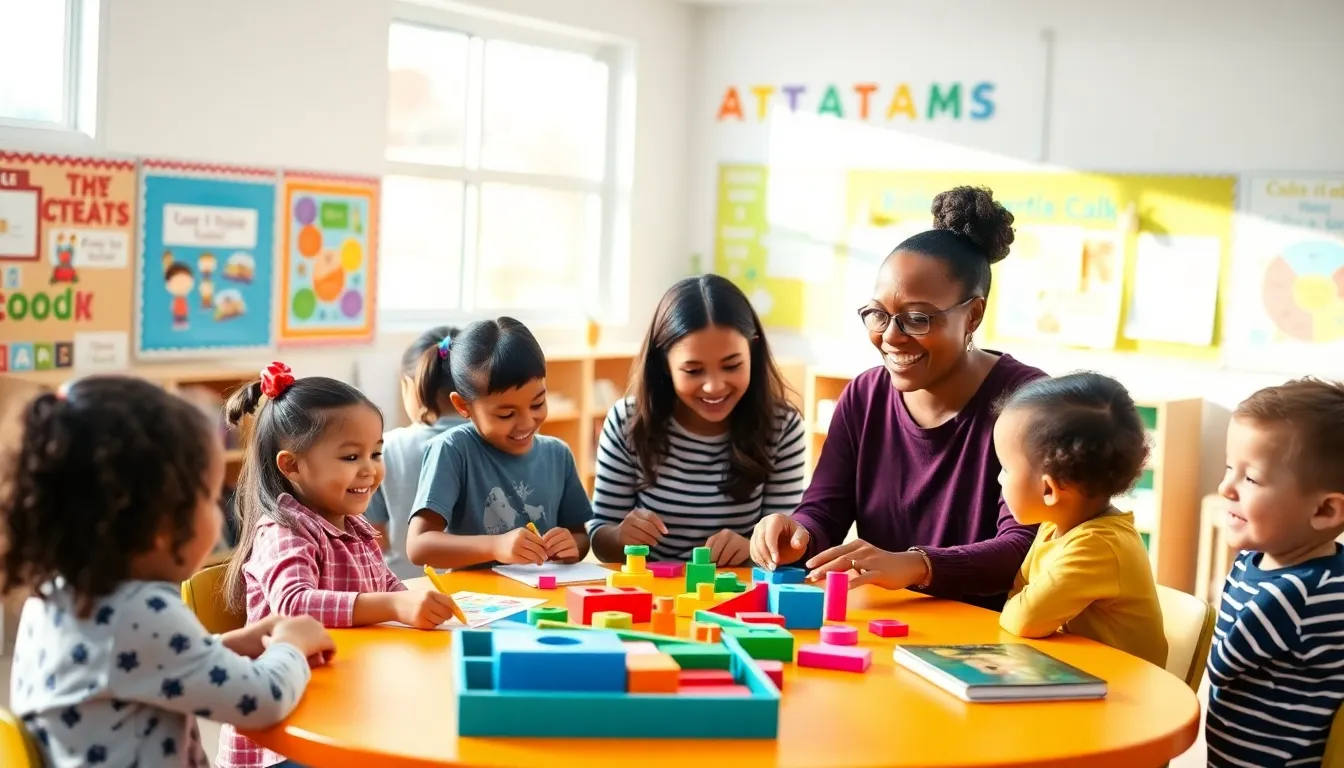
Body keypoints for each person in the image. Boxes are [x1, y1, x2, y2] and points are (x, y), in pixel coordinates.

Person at [0, 376, 334, 768]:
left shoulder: (57, 593)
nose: (219, 511)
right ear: (162, 527)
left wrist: (227, 645)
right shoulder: (143, 611)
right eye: (211, 498)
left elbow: (141, 669)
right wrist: (289, 646)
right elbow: (262, 701)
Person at [749, 186, 1045, 610]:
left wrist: (917, 565)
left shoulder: (1028, 405)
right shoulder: (864, 396)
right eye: (878, 314)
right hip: (889, 626)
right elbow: (825, 511)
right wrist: (796, 533)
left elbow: (1023, 547)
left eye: (917, 318)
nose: (890, 335)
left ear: (973, 315)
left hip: (987, 642)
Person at [220, 362, 459, 767]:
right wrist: (393, 606)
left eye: (376, 453)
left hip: (342, 701)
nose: (369, 469)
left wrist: (420, 605)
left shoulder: (355, 527)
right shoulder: (284, 530)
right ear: (291, 465)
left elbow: (387, 588)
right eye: (351, 456)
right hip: (286, 736)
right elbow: (293, 607)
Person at [588, 274, 806, 564]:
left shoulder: (782, 428)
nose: (714, 386)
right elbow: (600, 537)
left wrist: (750, 550)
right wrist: (619, 537)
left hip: (735, 596)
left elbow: (785, 546)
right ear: (664, 363)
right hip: (651, 593)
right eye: (693, 371)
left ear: (752, 349)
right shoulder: (626, 421)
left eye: (732, 366)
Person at [1205, 378, 1344, 768]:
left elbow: (1217, 667)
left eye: (1250, 478)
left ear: (1324, 511)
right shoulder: (1259, 561)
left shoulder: (1295, 596)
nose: (1225, 486)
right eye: (1230, 468)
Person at [993, 372, 1167, 666]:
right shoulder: (1053, 527)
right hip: (1074, 673)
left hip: (1123, 696)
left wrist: (1020, 608)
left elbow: (1022, 617)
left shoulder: (1098, 546)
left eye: (1006, 469)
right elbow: (1019, 595)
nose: (999, 477)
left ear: (1048, 489)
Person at [406, 318, 592, 569]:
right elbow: (419, 546)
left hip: (544, 600)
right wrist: (495, 546)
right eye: (506, 414)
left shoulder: (558, 454)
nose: (527, 422)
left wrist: (570, 545)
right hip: (478, 603)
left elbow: (580, 537)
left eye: (537, 403)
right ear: (463, 406)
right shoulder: (453, 450)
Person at [365, 325, 468, 580]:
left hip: (405, 590)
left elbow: (374, 542)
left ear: (409, 385)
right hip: (485, 591)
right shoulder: (495, 444)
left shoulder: (384, 448)